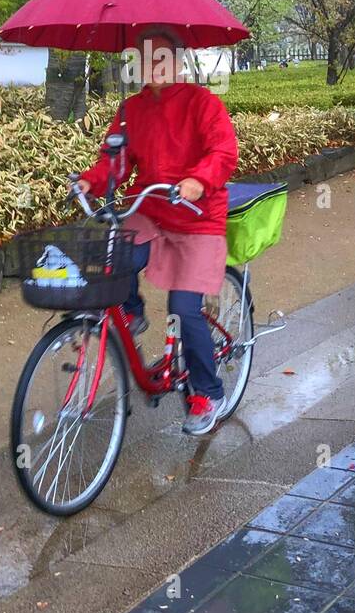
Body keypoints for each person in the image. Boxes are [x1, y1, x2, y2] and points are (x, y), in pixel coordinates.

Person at [74, 26, 239, 436]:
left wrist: (198, 180)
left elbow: (223, 152)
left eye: (162, 57)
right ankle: (132, 312)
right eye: (146, 58)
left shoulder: (204, 103)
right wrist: (90, 181)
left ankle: (208, 392)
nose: (154, 66)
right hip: (151, 210)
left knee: (184, 308)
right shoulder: (131, 110)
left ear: (179, 62)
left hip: (198, 218)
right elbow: (115, 161)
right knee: (115, 252)